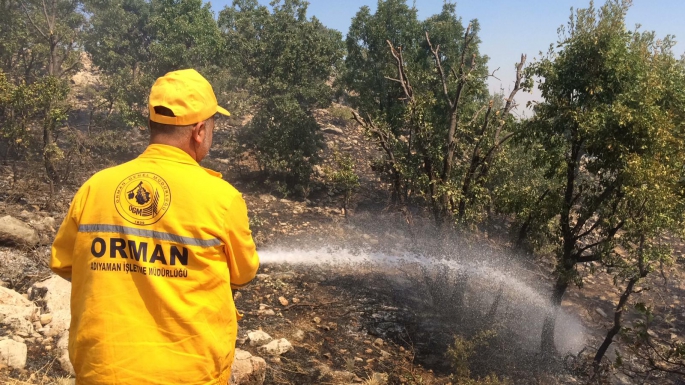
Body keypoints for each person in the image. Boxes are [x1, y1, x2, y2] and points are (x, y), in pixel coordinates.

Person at [51, 69, 259, 384]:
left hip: (104, 373)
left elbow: (65, 263)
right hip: (188, 375)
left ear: (151, 123)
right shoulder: (222, 198)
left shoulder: (96, 188)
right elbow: (243, 275)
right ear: (199, 131)